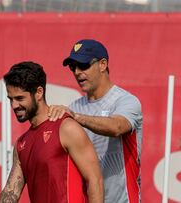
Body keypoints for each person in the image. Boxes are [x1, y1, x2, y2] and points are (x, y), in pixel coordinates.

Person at [48, 39, 143, 203]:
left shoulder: (126, 101)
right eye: (73, 67)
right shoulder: (74, 107)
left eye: (83, 65)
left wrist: (77, 118)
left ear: (103, 64)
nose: (77, 72)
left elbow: (117, 127)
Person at [0, 61, 103, 203]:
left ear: (39, 93)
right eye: (11, 99)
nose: (14, 105)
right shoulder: (21, 144)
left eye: (20, 98)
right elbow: (10, 192)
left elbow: (95, 180)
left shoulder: (66, 128)